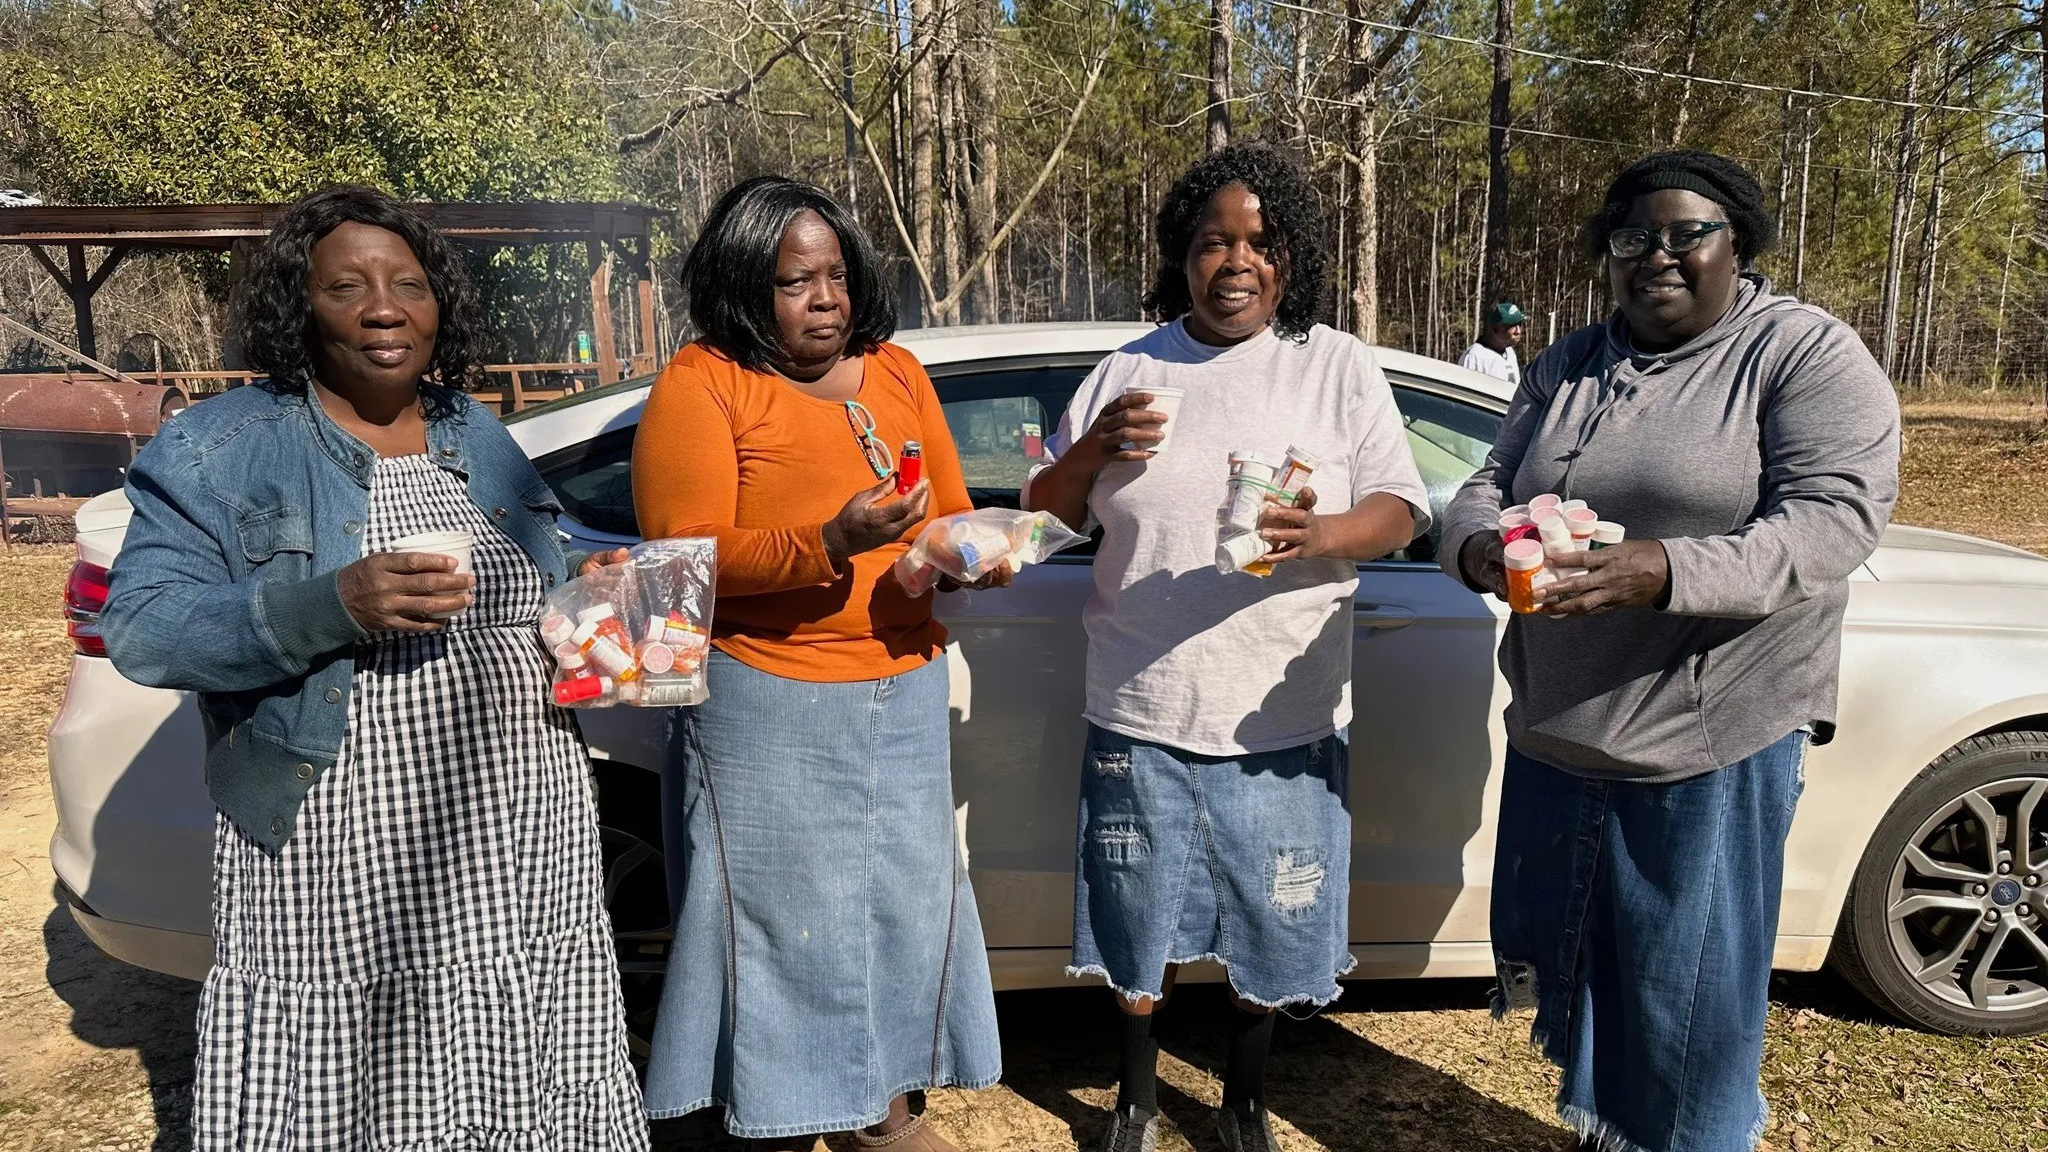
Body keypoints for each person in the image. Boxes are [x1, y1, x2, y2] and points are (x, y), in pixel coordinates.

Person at [101, 186, 648, 1150]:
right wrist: (334, 603)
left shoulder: (470, 428)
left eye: (408, 283)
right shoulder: (223, 448)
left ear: (441, 304)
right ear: (298, 309)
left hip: (521, 826)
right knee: (357, 1074)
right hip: (337, 841)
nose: (384, 305)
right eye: (345, 286)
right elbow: (145, 630)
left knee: (515, 1051)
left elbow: (529, 581)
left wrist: (583, 589)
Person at [1439, 151, 1900, 1152]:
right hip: (1563, 736)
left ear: (1737, 243)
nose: (1655, 254)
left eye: (1684, 233)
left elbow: (1830, 526)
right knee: (1600, 994)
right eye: (1629, 237)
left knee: (1686, 1023)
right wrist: (1477, 546)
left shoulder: (1800, 356)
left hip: (1707, 748)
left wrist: (1659, 569)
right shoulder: (1566, 362)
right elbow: (1484, 479)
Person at [1026, 144, 1429, 1152]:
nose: (1234, 261)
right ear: (1182, 255)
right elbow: (1042, 519)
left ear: (1287, 255)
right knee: (1135, 916)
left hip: (1278, 711)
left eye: (1257, 241)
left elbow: (1401, 508)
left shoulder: (1334, 364)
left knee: (1272, 918)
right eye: (1213, 241)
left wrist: (1321, 535)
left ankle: (1244, 1097)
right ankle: (1134, 1097)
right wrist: (1089, 447)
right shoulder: (1130, 369)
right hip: (1140, 700)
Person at [632, 176, 1003, 1152]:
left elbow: (952, 510)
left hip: (903, 702)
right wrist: (827, 542)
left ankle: (879, 1110)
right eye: (797, 281)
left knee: (887, 927)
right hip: (766, 713)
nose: (826, 298)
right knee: (776, 947)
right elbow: (681, 559)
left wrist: (971, 556)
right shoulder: (702, 381)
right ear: (744, 287)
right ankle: (774, 1119)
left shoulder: (897, 372)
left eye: (835, 274)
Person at [1457, 300, 1527, 384]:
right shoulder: (1474, 357)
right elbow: (1463, 392)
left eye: (1519, 324)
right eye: (1512, 326)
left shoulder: (1510, 352)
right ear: (1495, 329)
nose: (1518, 331)